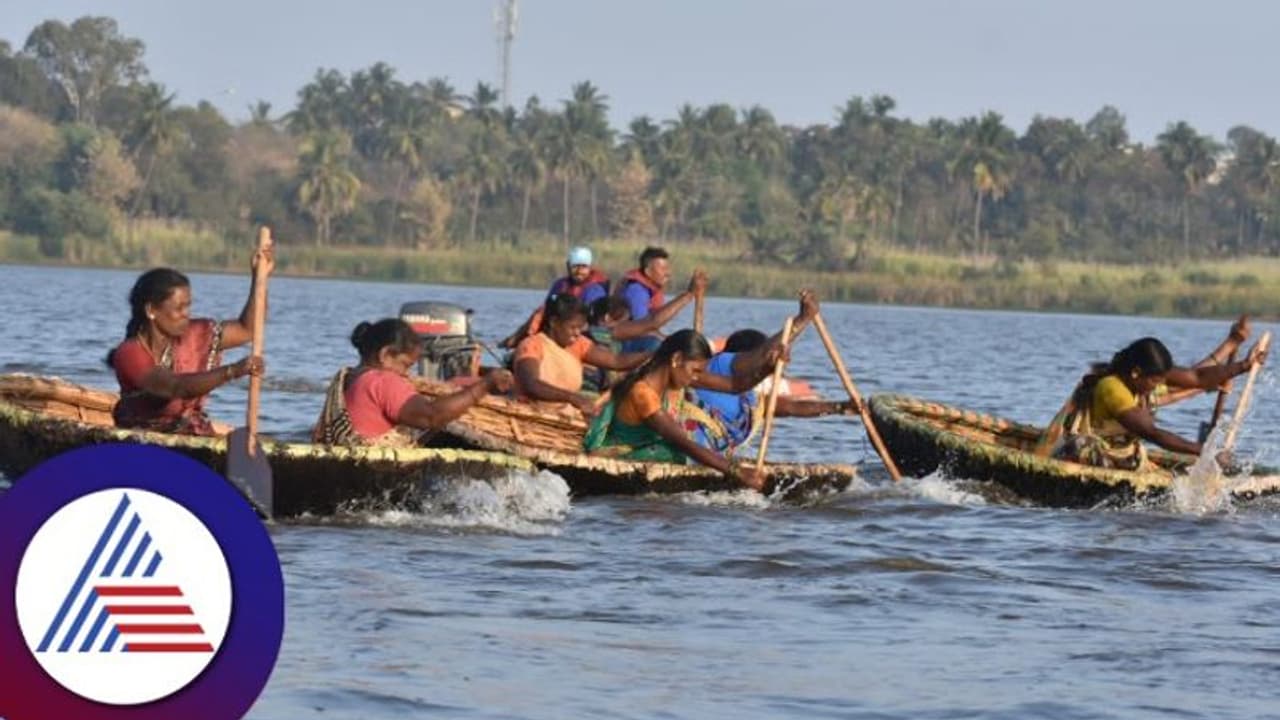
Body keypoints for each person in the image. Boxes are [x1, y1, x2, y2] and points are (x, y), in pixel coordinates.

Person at [1044, 328, 1267, 469]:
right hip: (1090, 455)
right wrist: (1206, 451)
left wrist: (1244, 366)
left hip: (1124, 453)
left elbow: (1197, 376)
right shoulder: (1112, 387)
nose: (1159, 385)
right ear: (1135, 373)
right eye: (1154, 381)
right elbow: (1152, 433)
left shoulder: (1148, 376)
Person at [106, 250, 273, 436]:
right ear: (151, 310)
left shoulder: (196, 334)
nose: (187, 314)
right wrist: (232, 371)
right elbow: (174, 387)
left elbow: (247, 329)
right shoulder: (130, 353)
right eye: (179, 308)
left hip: (194, 433)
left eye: (188, 306)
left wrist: (260, 279)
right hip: (144, 442)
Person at [583, 330, 765, 491]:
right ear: (676, 359)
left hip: (652, 453)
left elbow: (735, 385)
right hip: (622, 456)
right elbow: (681, 442)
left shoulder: (679, 377)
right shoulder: (642, 394)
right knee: (674, 452)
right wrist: (735, 471)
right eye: (694, 370)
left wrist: (768, 367)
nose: (695, 378)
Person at [690, 291, 856, 454]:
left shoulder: (751, 401)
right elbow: (764, 354)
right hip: (686, 452)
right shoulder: (720, 364)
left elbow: (793, 407)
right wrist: (803, 319)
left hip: (711, 460)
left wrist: (840, 407)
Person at [313, 319, 514, 446]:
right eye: (405, 365)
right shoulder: (382, 381)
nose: (405, 374)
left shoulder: (348, 377)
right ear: (385, 355)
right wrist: (484, 385)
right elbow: (431, 416)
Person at [512, 295, 650, 417]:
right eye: (572, 328)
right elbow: (531, 384)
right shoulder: (532, 345)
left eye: (580, 328)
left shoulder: (578, 344)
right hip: (531, 413)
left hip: (564, 414)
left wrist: (652, 355)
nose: (577, 333)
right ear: (553, 322)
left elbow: (616, 361)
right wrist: (572, 398)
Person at [499, 246, 610, 348]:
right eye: (575, 266)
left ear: (590, 268)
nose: (579, 271)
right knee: (539, 312)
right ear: (568, 266)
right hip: (560, 327)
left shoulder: (595, 290)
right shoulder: (560, 285)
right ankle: (518, 340)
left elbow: (593, 320)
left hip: (586, 330)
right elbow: (549, 305)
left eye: (583, 267)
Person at [614, 246, 706, 352]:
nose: (668, 273)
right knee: (656, 344)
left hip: (638, 338)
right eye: (663, 269)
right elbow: (643, 327)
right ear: (648, 271)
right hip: (624, 345)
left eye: (668, 268)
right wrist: (689, 295)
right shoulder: (636, 291)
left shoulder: (650, 289)